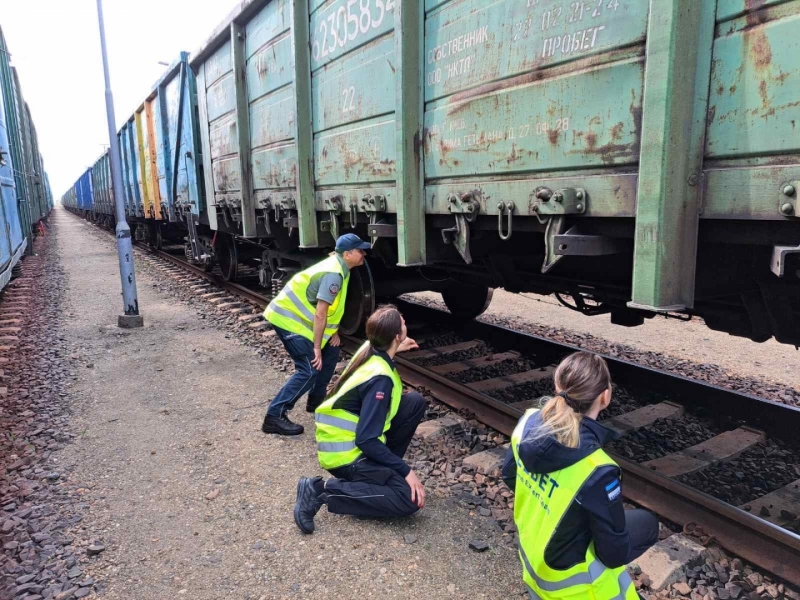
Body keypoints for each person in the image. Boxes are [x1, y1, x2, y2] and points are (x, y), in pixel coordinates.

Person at [502, 351, 658, 600]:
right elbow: (613, 554)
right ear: (605, 397)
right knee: (647, 524)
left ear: (556, 386)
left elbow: (510, 476)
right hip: (576, 590)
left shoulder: (527, 422)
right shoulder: (597, 469)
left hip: (532, 564)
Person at [293, 304, 426, 534]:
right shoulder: (380, 380)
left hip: (355, 443)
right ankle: (319, 490)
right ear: (396, 336)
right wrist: (405, 471)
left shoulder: (371, 348)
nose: (405, 324)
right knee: (408, 499)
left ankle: (382, 473)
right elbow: (367, 440)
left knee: (414, 402)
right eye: (402, 324)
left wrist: (396, 347)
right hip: (348, 456)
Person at [261, 233, 371, 436]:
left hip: (302, 322)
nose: (364, 253)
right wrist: (315, 347)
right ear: (347, 254)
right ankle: (274, 417)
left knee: (331, 351)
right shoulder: (334, 274)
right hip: (289, 321)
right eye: (360, 250)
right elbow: (320, 313)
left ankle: (316, 402)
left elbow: (331, 308)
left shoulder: (340, 267)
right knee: (309, 369)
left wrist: (333, 332)